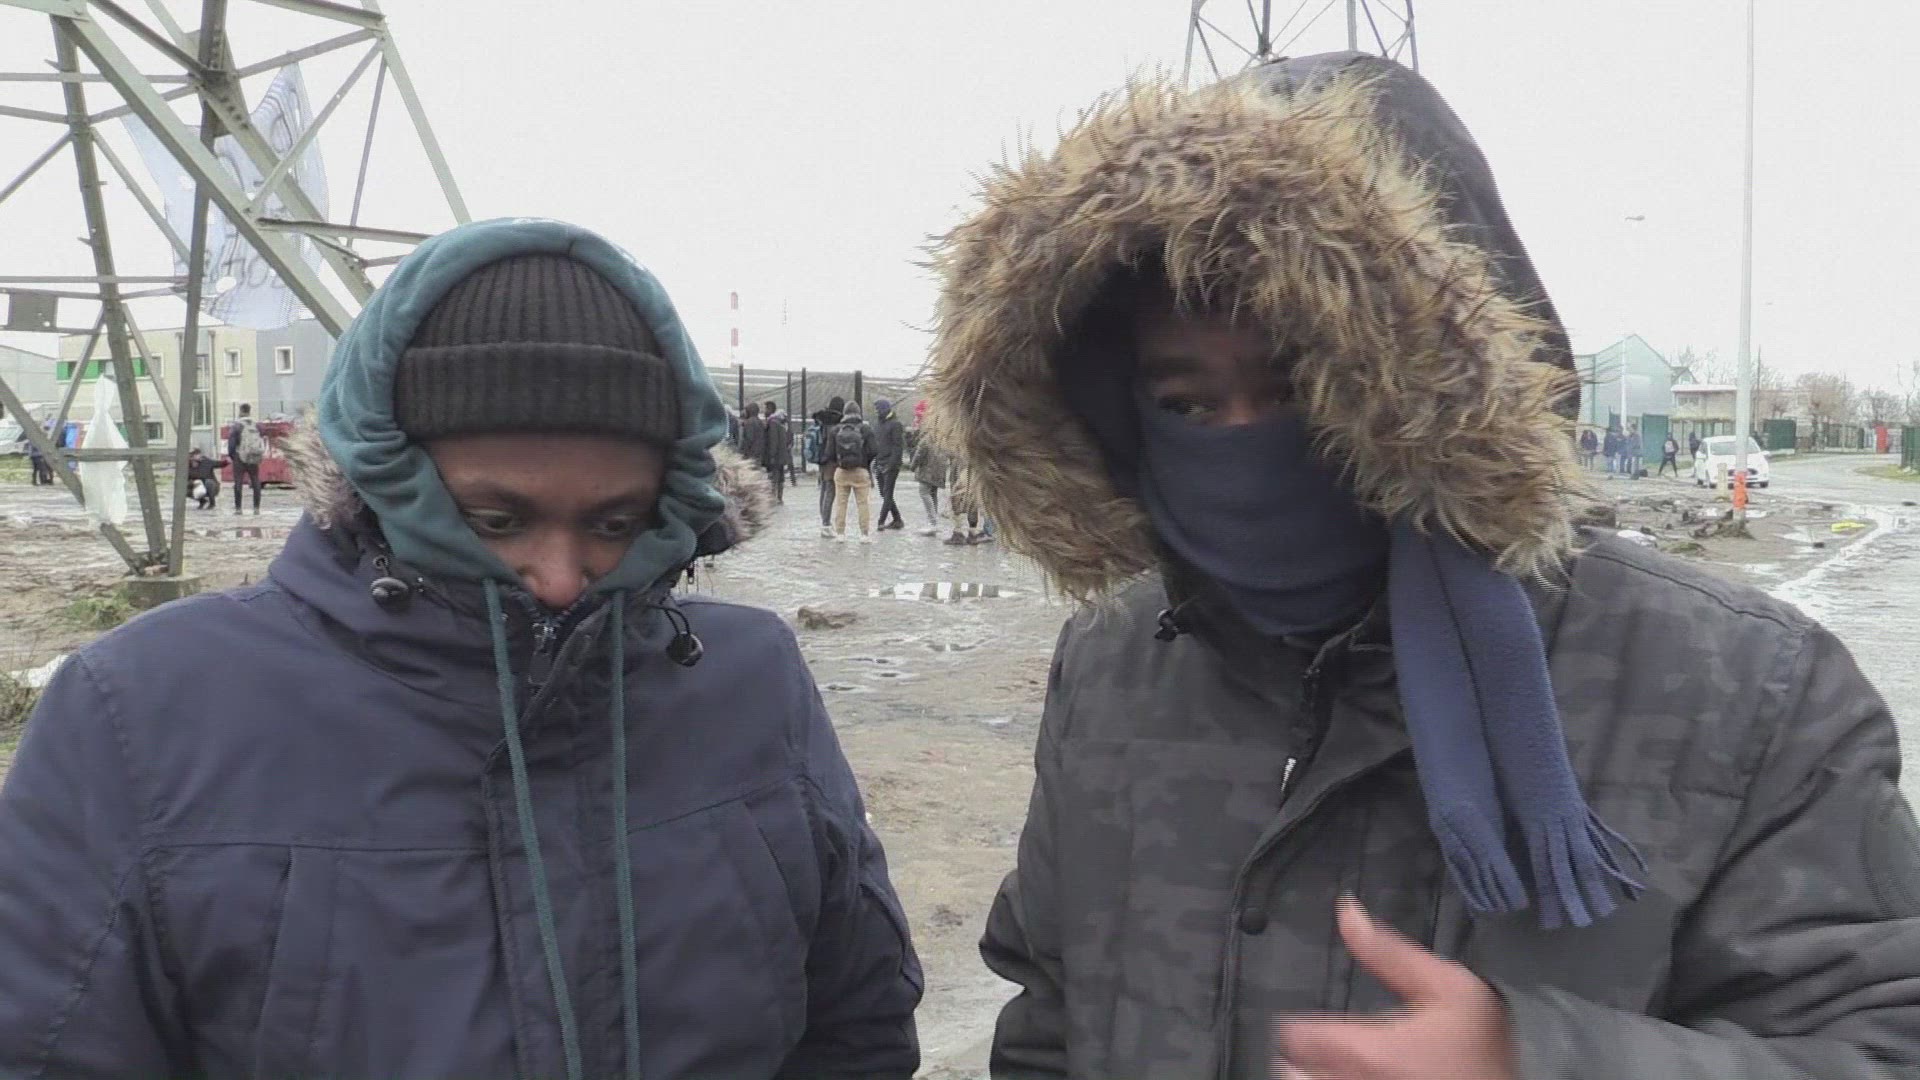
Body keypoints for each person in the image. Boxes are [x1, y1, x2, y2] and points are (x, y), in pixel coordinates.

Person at [924, 54, 1920, 1079]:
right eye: (1187, 405)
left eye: (1302, 384)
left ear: (1427, 386)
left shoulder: (1749, 690)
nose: (1244, 445)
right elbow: (1049, 1019)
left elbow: (1883, 1044)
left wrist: (1539, 1064)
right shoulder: (1116, 662)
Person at [0, 219, 923, 1077]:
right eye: (495, 518)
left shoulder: (751, 680)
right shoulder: (142, 714)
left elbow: (858, 1021)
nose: (559, 577)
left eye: (614, 522)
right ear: (383, 483)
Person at [830, 401, 879, 542]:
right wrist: (864, 460)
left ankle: (840, 534)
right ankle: (864, 534)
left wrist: (840, 461)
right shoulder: (865, 429)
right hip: (861, 471)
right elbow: (874, 450)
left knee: (841, 503)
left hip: (841, 471)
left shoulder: (836, 430)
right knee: (863, 503)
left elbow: (829, 453)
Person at [812, 394, 847, 537]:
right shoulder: (837, 423)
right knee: (830, 492)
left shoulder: (822, 420)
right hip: (832, 460)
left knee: (824, 490)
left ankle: (824, 521)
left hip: (822, 459)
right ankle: (826, 524)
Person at [871, 398, 908, 531]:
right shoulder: (878, 425)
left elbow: (898, 447)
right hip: (880, 462)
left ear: (885, 409)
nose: (876, 412)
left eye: (878, 409)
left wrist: (891, 465)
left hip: (891, 465)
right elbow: (877, 444)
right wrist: (875, 462)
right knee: (884, 493)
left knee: (887, 494)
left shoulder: (895, 424)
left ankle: (881, 522)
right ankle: (897, 519)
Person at [909, 423, 949, 536]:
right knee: (933, 494)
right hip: (939, 473)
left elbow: (919, 455)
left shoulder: (926, 439)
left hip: (927, 472)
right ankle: (933, 522)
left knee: (924, 493)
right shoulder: (942, 440)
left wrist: (912, 466)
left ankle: (932, 521)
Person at [227, 402, 266, 515]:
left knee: (238, 482)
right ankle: (256, 508)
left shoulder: (237, 426)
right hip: (254, 455)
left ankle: (238, 509)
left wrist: (233, 456)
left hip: (240, 456)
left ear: (240, 411)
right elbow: (262, 436)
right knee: (255, 480)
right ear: (249, 411)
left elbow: (231, 444)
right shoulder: (257, 425)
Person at [763, 401, 793, 504]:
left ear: (770, 409)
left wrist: (771, 455)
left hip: (775, 457)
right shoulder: (780, 423)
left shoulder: (772, 423)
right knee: (780, 477)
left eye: (766, 408)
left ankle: (773, 498)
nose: (764, 411)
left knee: (774, 477)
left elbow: (773, 440)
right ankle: (779, 498)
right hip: (782, 455)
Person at [738, 400, 768, 468]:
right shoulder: (760, 422)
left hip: (751, 453)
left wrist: (743, 452)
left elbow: (749, 439)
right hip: (759, 453)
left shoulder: (749, 422)